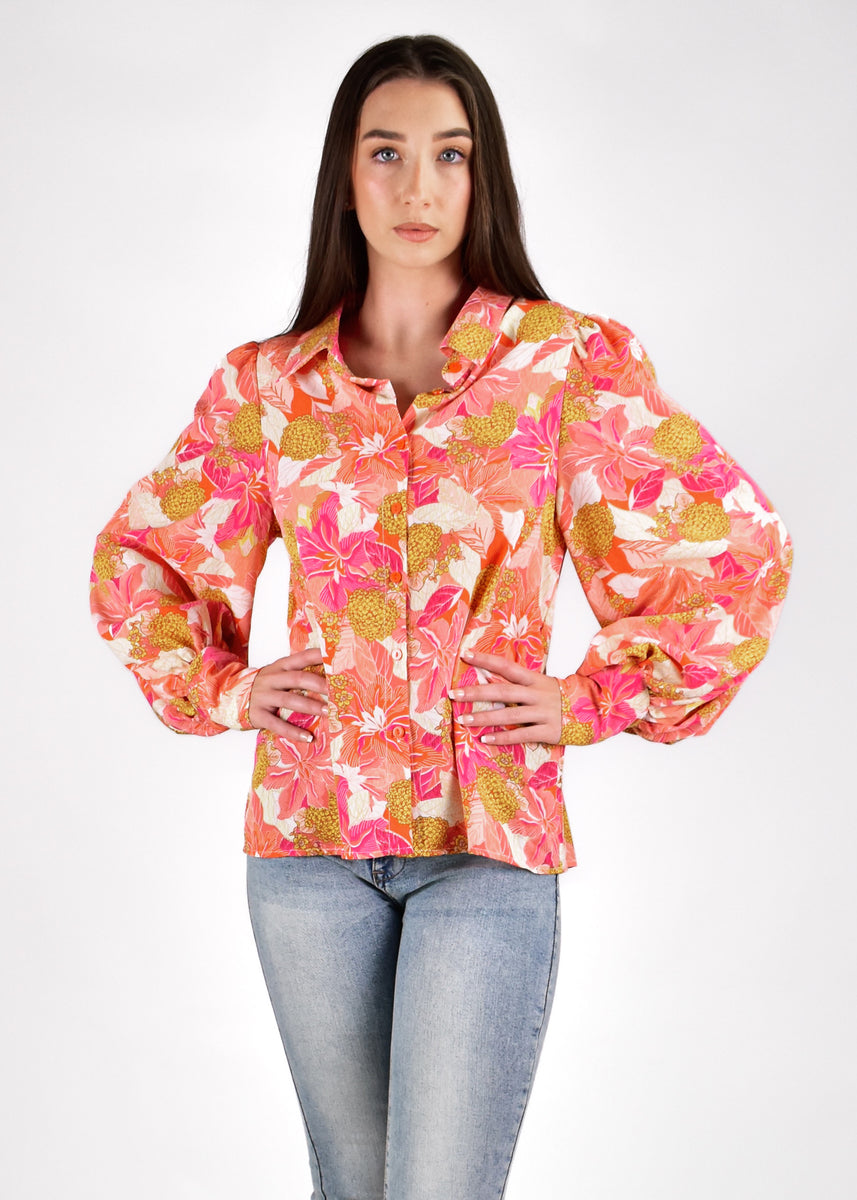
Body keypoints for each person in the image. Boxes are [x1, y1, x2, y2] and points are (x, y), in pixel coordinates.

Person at [89, 33, 792, 1200]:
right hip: (309, 849)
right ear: (344, 173)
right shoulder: (267, 388)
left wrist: (594, 696)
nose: (417, 187)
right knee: (353, 1188)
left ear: (482, 175)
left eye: (449, 155)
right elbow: (144, 559)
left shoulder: (563, 366)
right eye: (387, 152)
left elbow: (731, 547)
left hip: (487, 847)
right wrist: (222, 687)